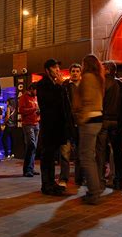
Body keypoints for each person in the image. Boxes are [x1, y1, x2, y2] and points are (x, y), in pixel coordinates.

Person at [73, 54, 105, 204]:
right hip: (98, 118)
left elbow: (86, 100)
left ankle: (94, 192)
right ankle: (96, 189)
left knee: (86, 157)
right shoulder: (99, 78)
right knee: (91, 156)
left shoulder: (87, 78)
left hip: (89, 119)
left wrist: (81, 118)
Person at [36, 58, 71, 196]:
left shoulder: (58, 84)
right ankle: (46, 184)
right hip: (49, 126)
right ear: (47, 70)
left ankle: (52, 182)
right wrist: (59, 86)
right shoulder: (42, 84)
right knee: (47, 157)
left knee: (53, 156)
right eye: (54, 67)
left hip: (58, 126)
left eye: (58, 67)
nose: (57, 70)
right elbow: (48, 104)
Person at [97, 60, 122, 190]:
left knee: (101, 151)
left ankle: (100, 180)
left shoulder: (102, 83)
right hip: (117, 121)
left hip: (104, 120)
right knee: (117, 151)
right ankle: (118, 180)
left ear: (107, 70)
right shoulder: (121, 84)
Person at [60, 63, 82, 186]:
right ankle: (64, 178)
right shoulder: (65, 86)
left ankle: (79, 178)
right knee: (65, 153)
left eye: (77, 71)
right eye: (73, 71)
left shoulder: (84, 87)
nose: (74, 73)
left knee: (79, 153)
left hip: (80, 124)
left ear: (80, 73)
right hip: (68, 124)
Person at [19, 82, 41, 177]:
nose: (37, 92)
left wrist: (38, 112)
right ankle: (27, 169)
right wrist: (34, 109)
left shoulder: (35, 98)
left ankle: (30, 169)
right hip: (28, 125)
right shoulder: (23, 97)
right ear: (31, 89)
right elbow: (21, 110)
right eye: (36, 90)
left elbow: (36, 109)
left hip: (36, 124)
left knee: (34, 147)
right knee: (31, 145)